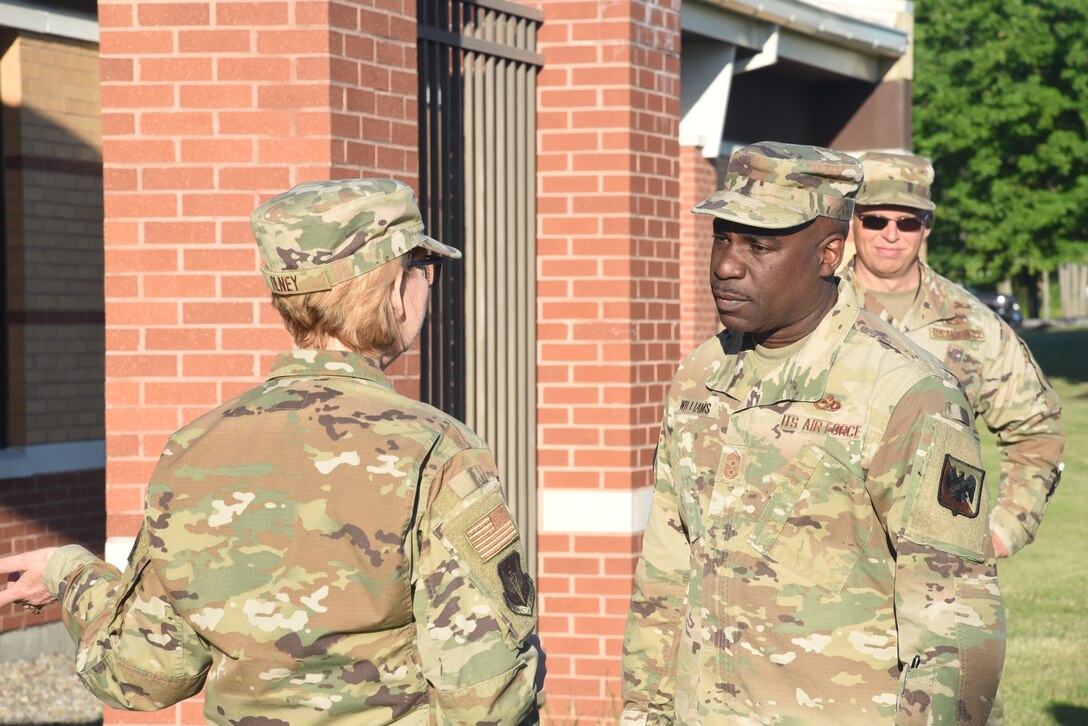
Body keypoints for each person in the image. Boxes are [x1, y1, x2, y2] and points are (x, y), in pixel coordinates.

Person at [0, 179, 543, 725]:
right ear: (394, 290)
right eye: (423, 271)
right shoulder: (436, 451)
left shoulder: (194, 449)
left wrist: (69, 574)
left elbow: (142, 668)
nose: (427, 288)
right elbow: (485, 698)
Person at [621, 142, 1005, 725]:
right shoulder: (700, 376)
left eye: (760, 245)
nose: (726, 264)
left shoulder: (908, 395)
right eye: (723, 237)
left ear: (829, 253)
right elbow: (665, 574)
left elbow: (955, 624)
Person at [842, 151, 1064, 559]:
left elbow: (1037, 428)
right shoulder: (813, 310)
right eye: (875, 219)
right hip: (825, 559)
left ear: (926, 226)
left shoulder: (975, 326)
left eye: (907, 221)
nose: (891, 234)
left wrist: (1004, 531)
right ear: (853, 220)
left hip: (938, 567)